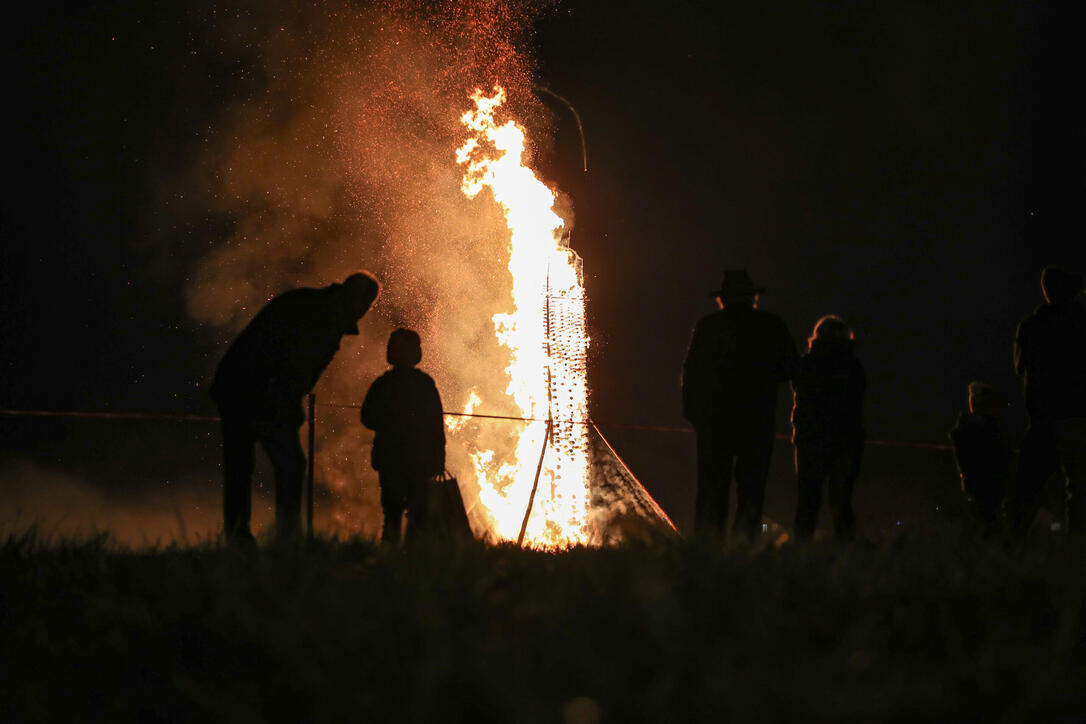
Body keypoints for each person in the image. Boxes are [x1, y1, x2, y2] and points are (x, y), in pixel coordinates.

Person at [209, 271, 380, 543]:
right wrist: (288, 407)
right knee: (289, 464)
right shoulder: (324, 318)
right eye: (367, 305)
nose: (365, 312)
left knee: (239, 465)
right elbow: (294, 366)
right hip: (257, 392)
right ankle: (286, 537)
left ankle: (237, 535)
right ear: (359, 300)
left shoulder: (315, 305)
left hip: (235, 386)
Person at [682, 269, 799, 540]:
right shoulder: (771, 326)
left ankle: (707, 548)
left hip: (714, 421)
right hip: (756, 420)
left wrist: (693, 413)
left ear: (722, 299)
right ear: (752, 298)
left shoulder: (708, 326)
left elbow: (691, 372)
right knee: (752, 490)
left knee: (712, 488)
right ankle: (745, 548)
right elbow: (791, 368)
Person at [1007, 267, 1086, 535]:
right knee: (1079, 489)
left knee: (1025, 489)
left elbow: (1020, 367)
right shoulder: (1081, 323)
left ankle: (1010, 543)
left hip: (1043, 418)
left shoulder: (1031, 326)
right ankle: (1076, 547)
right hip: (1077, 417)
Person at [360, 328, 446, 544]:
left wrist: (389, 424)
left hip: (390, 460)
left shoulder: (383, 384)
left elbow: (367, 417)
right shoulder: (425, 384)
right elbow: (436, 426)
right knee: (418, 518)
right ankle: (414, 564)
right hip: (420, 462)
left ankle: (390, 562)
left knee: (392, 514)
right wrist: (438, 458)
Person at [791, 315, 865, 542]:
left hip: (811, 440)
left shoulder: (807, 364)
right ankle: (847, 552)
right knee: (840, 501)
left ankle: (800, 550)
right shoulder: (852, 366)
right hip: (844, 441)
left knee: (808, 500)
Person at [948, 381, 1010, 535]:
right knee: (987, 525)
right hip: (986, 486)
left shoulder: (973, 429)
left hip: (985, 487)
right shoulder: (982, 430)